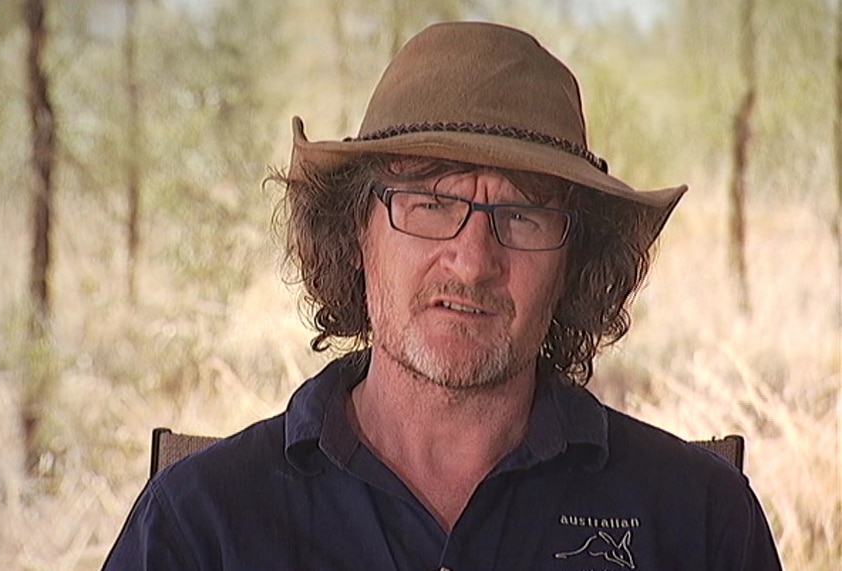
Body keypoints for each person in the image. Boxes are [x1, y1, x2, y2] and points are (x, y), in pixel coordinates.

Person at [102, 21, 782, 570]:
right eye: (430, 203)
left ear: (575, 263)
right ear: (356, 237)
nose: (473, 260)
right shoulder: (201, 522)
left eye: (522, 216)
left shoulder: (697, 516)